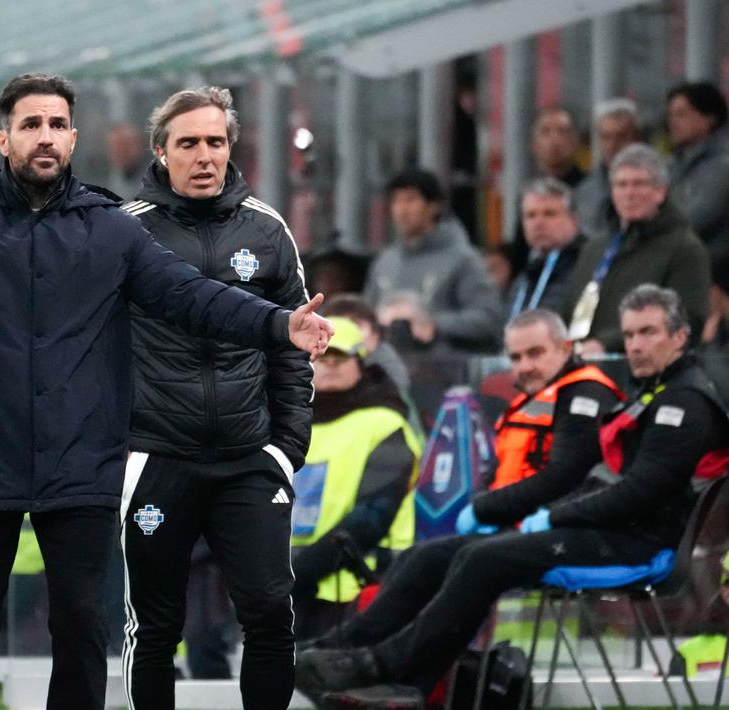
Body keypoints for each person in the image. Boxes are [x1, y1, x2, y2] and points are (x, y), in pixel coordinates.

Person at [0, 73, 334, 710]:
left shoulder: (111, 230)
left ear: (73, 138)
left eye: (57, 125)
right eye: (31, 125)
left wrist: (279, 324)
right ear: (4, 139)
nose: (46, 137)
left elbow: (193, 296)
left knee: (83, 631)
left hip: (80, 467)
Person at [296, 285, 729, 707]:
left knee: (482, 558)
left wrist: (552, 516)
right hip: (610, 529)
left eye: (648, 332)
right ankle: (356, 656)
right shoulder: (656, 393)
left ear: (680, 337)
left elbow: (636, 492)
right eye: (630, 333)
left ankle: (386, 666)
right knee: (431, 556)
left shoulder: (682, 404)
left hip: (640, 545)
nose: (634, 345)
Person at [117, 86, 311, 710]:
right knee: (155, 624)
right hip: (157, 456)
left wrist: (286, 447)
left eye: (216, 142)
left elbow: (293, 344)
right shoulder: (124, 231)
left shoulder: (268, 228)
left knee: (269, 611)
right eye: (189, 143)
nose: (204, 156)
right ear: (161, 151)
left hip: (248, 458)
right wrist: (118, 446)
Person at [291, 316, 421, 642]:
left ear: (360, 364)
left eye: (341, 356)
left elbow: (372, 517)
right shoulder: (286, 423)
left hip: (360, 585)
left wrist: (297, 573)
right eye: (322, 357)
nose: (331, 365)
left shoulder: (385, 424)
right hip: (292, 589)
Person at [562, 143, 710, 355]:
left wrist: (606, 344)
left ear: (660, 191)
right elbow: (568, 311)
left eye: (639, 184)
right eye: (621, 185)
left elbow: (688, 320)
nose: (629, 193)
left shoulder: (684, 248)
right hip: (583, 363)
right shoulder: (594, 248)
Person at [364, 168, 503, 354]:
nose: (402, 209)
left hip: (445, 365)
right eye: (396, 201)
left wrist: (433, 324)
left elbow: (489, 319)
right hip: (387, 365)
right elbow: (366, 316)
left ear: (434, 206)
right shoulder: (385, 261)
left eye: (411, 200)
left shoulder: (463, 258)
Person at [509, 108, 587, 271]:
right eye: (546, 132)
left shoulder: (593, 190)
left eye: (562, 132)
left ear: (576, 142)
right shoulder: (528, 194)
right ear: (533, 144)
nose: (554, 140)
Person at [506, 178, 587, 319]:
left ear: (574, 220)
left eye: (549, 213)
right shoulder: (526, 275)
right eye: (530, 215)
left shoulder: (588, 267)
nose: (538, 223)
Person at [666, 81, 729, 251]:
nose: (673, 122)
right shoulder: (672, 163)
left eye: (681, 114)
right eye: (671, 115)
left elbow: (697, 220)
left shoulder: (722, 165)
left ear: (709, 118)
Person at [573, 98, 639, 236]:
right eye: (606, 137)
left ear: (634, 138)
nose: (612, 145)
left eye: (620, 136)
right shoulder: (585, 190)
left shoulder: (653, 185)